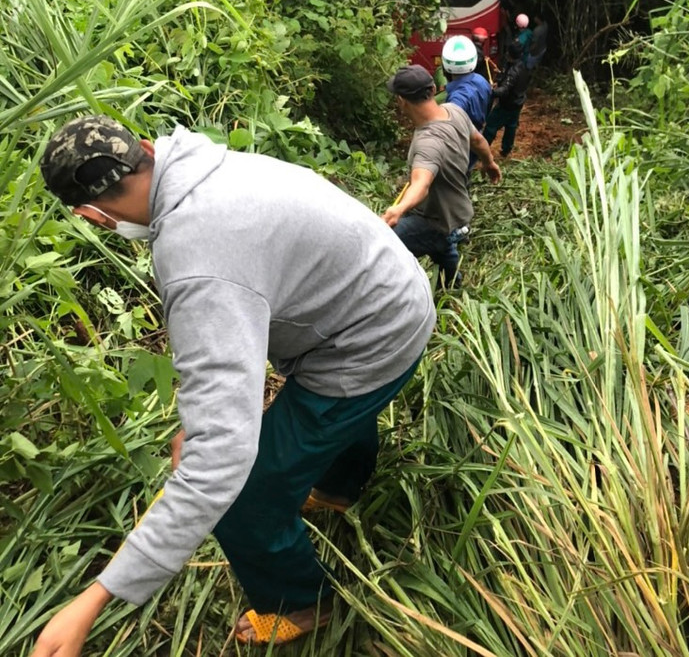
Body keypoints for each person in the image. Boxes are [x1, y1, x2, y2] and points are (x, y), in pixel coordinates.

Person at [30, 114, 436, 655]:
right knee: (331, 420)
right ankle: (339, 490)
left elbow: (220, 464)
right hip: (388, 291)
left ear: (93, 216)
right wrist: (202, 420)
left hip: (368, 339)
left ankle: (300, 602)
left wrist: (95, 598)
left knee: (246, 496)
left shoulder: (198, 259)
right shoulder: (205, 165)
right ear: (144, 148)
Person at [383, 65, 501, 289]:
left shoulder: (428, 142)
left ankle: (397, 293)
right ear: (434, 88)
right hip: (457, 214)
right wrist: (489, 163)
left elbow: (421, 183)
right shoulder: (454, 111)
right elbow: (477, 141)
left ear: (402, 101)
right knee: (445, 245)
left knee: (384, 246)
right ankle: (453, 285)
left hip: (434, 222)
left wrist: (398, 210)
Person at [483, 38, 534, 158]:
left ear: (509, 54)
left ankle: (482, 152)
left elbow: (504, 90)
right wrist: (499, 81)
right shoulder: (523, 66)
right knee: (511, 126)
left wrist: (490, 91)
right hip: (518, 102)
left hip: (507, 104)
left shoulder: (513, 71)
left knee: (491, 124)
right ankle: (506, 150)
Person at [441, 35, 492, 132]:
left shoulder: (456, 99)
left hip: (465, 140)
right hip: (479, 131)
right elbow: (488, 105)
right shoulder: (482, 81)